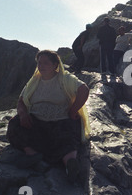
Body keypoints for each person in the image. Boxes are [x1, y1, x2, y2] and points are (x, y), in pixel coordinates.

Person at [6, 50, 91, 183]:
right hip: (36, 121)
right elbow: (21, 100)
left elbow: (84, 89)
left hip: (60, 121)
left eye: (46, 63)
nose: (41, 66)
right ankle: (32, 155)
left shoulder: (65, 78)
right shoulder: (34, 80)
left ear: (55, 64)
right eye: (39, 63)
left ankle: (70, 163)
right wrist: (22, 115)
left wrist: (73, 110)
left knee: (68, 133)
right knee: (14, 124)